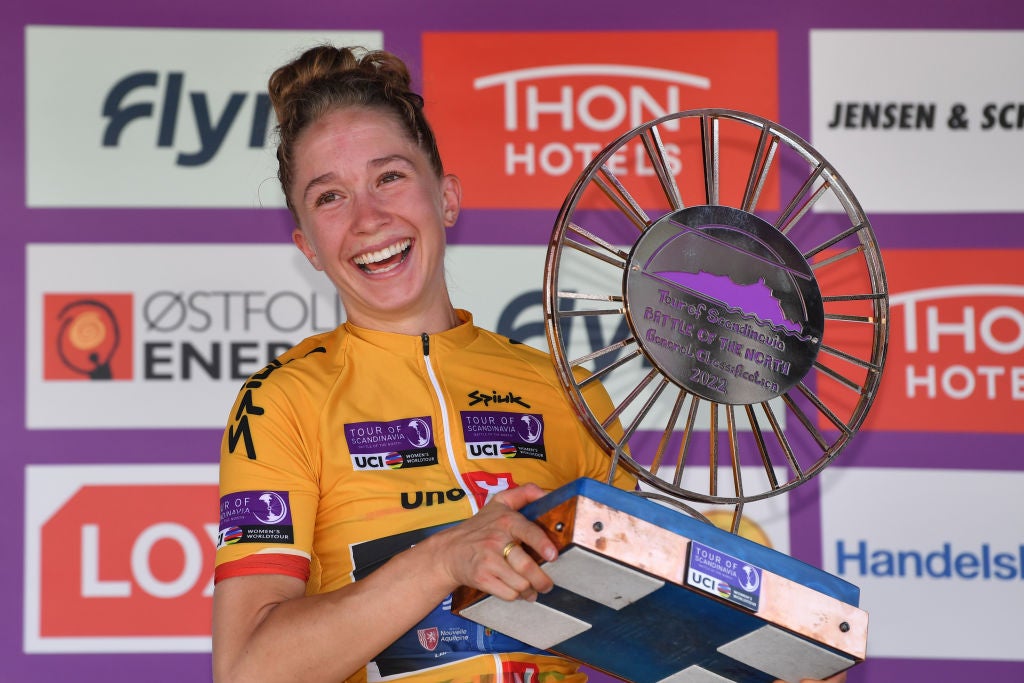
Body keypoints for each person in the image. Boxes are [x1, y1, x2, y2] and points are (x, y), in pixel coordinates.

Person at [211, 44, 847, 683]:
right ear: (308, 248)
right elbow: (246, 671)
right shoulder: (282, 402)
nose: (369, 218)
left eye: (390, 177)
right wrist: (443, 560)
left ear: (447, 198)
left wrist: (774, 638)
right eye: (329, 198)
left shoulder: (567, 394)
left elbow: (670, 644)